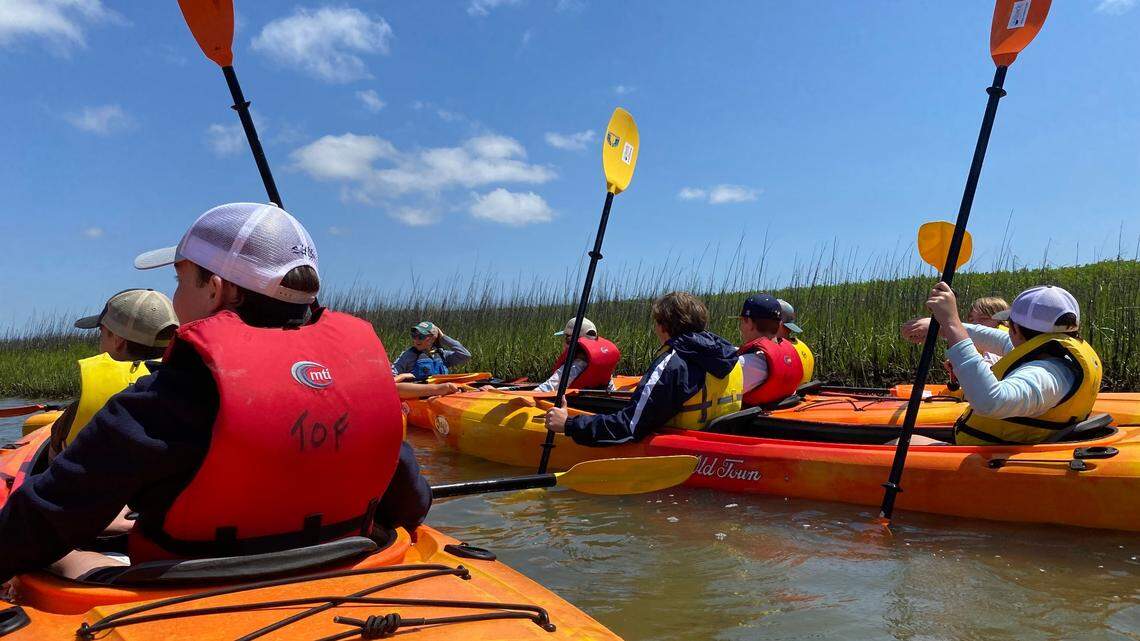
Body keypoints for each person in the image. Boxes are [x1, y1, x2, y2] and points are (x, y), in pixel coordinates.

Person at [0, 203, 431, 583]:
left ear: (216, 289)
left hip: (187, 588)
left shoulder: (162, 403)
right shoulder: (363, 381)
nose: (174, 295)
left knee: (64, 559)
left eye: (180, 279)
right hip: (340, 569)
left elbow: (30, 531)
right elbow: (411, 506)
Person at [900, 284, 1101, 446]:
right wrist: (939, 327)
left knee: (898, 443)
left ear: (1015, 329)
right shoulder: (1047, 351)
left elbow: (990, 402)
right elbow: (990, 338)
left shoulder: (1047, 374)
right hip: (999, 446)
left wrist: (952, 322)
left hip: (993, 458)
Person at [543, 291, 741, 445]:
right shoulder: (731, 355)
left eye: (656, 323)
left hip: (679, 449)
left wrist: (569, 424)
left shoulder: (671, 364)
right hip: (718, 440)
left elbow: (630, 427)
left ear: (663, 326)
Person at [49, 289, 179, 456]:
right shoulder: (187, 391)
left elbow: (54, 460)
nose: (100, 340)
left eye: (102, 333)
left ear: (118, 341)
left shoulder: (77, 412)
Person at [735, 294, 803, 406]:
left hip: (752, 421)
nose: (740, 327)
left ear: (750, 323)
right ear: (779, 324)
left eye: (742, 321)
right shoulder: (790, 353)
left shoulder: (745, 365)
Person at [534, 317, 620, 392]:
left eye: (566, 337)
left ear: (570, 340)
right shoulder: (600, 363)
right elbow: (611, 389)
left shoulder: (573, 367)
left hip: (577, 404)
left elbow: (547, 388)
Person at [391, 321, 471, 379]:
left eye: (421, 337)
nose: (416, 340)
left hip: (441, 395)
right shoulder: (408, 355)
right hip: (419, 397)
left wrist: (443, 338)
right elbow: (392, 375)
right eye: (414, 336)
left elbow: (465, 355)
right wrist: (403, 376)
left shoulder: (442, 355)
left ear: (433, 338)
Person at [777, 299, 814, 384]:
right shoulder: (803, 346)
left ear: (779, 323)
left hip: (788, 395)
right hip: (801, 394)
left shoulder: (779, 350)